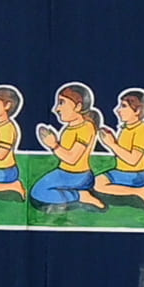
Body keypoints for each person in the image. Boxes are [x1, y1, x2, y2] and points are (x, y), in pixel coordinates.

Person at [30, 84, 104, 212]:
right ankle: (76, 194)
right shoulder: (70, 128)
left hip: (78, 176)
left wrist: (54, 145)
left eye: (61, 103)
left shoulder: (86, 128)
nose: (56, 109)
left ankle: (81, 195)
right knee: (37, 192)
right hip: (65, 173)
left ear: (78, 106)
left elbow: (72, 159)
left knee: (39, 193)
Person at [93, 89, 144, 209]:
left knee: (98, 186)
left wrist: (112, 144)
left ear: (137, 111)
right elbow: (123, 151)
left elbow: (133, 160)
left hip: (135, 174)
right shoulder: (126, 128)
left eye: (123, 106)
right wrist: (112, 140)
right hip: (121, 171)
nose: (117, 110)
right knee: (95, 182)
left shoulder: (142, 129)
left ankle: (140, 191)